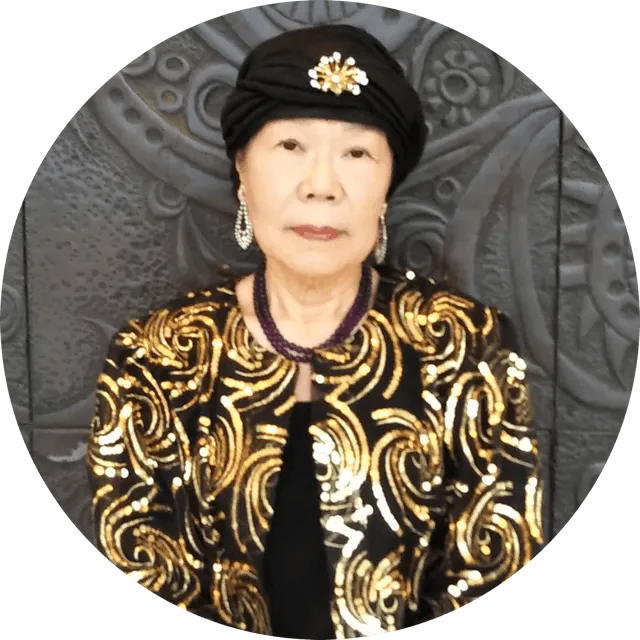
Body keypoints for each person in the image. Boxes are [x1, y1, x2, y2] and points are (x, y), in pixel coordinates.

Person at [86, 23, 545, 638]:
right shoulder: (158, 355)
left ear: (387, 184)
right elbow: (146, 568)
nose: (322, 186)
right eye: (290, 146)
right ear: (242, 170)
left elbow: (493, 566)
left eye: (357, 154)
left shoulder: (464, 346)